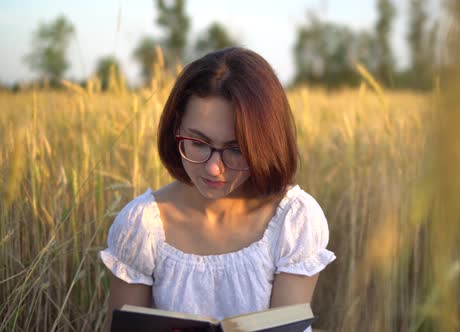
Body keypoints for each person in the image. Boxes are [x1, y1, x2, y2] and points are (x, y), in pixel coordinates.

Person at [99, 47, 336, 331]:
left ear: (266, 144)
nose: (213, 168)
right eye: (198, 143)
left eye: (235, 149)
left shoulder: (294, 221)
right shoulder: (141, 226)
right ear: (176, 130)